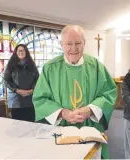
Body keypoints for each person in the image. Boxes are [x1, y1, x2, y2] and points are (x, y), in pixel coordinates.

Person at [32, 25, 117, 159]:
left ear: (84, 43)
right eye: (68, 44)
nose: (73, 48)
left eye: (78, 43)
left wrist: (90, 110)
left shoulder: (96, 66)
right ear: (61, 45)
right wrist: (62, 112)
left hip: (91, 128)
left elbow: (108, 93)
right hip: (60, 129)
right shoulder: (50, 68)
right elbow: (40, 99)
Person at [4, 44, 39, 122]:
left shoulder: (32, 64)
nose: (21, 52)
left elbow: (37, 79)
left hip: (30, 99)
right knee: (17, 126)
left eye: (23, 50)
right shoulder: (11, 64)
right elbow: (6, 80)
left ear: (26, 52)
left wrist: (32, 90)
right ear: (16, 52)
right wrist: (16, 90)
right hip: (16, 100)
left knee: (30, 125)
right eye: (19, 50)